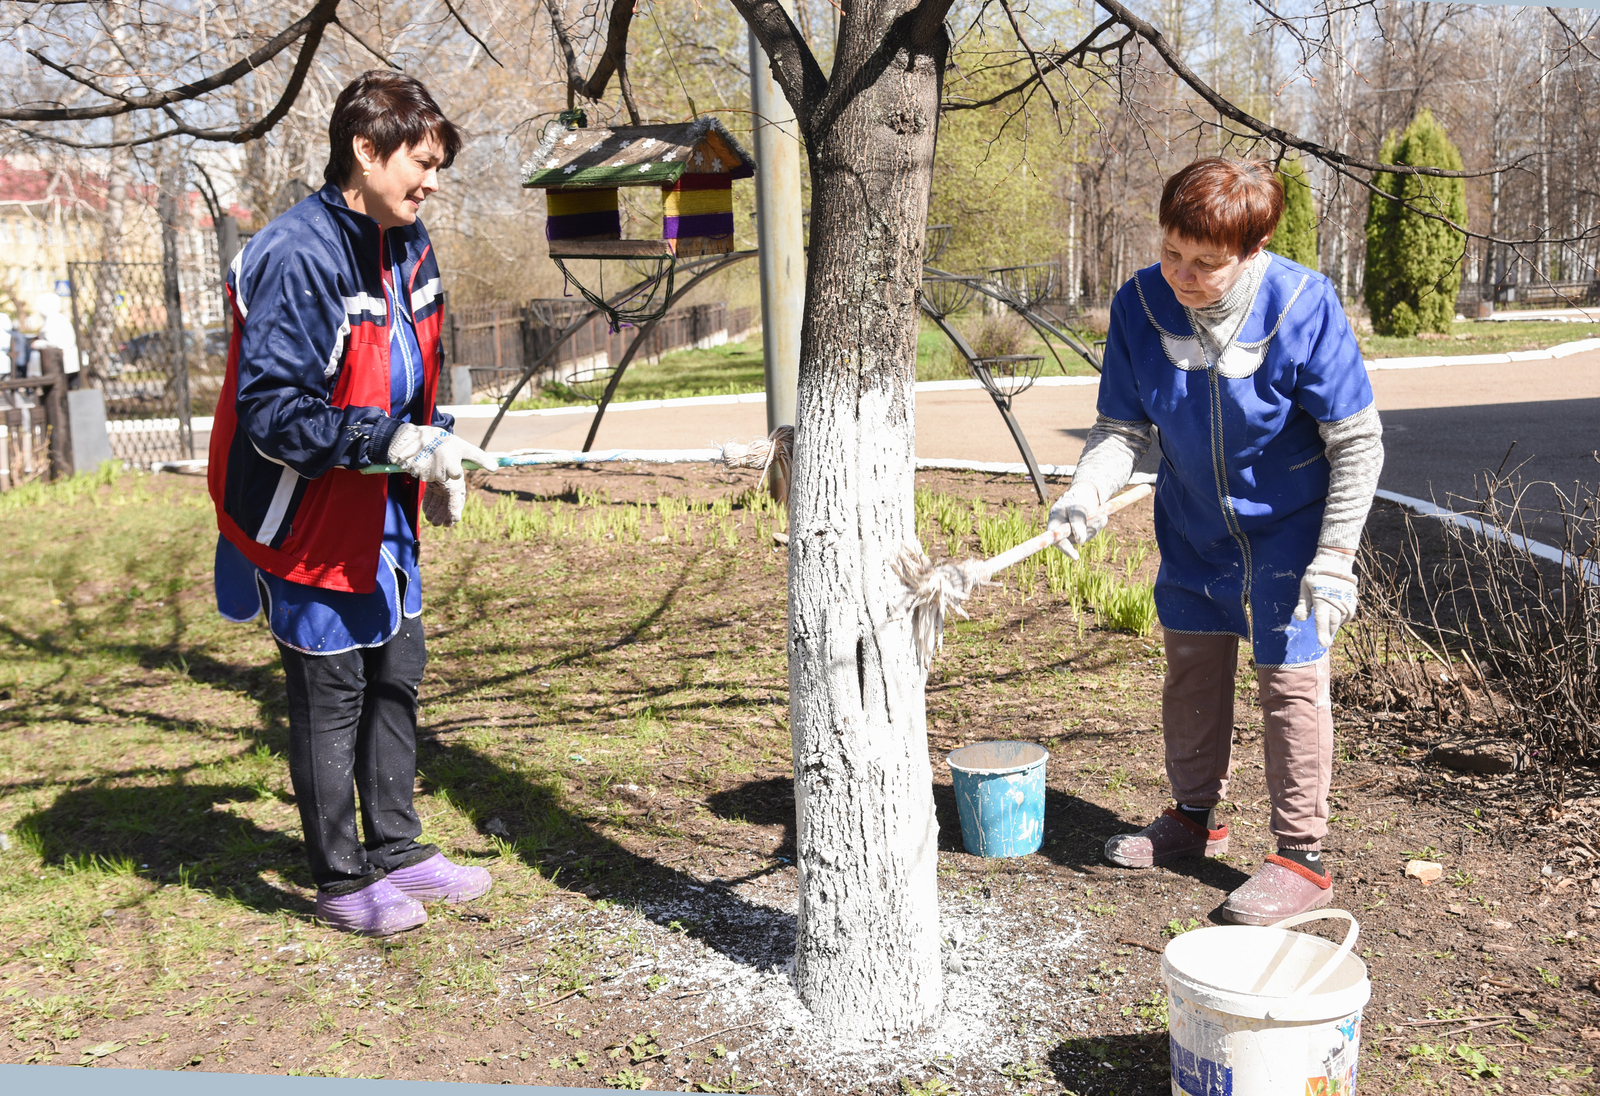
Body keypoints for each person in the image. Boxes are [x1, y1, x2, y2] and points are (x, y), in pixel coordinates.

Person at [1050, 158, 1383, 924]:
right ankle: (1193, 817)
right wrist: (1086, 492)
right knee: (1193, 671)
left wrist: (1335, 558)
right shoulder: (1139, 304)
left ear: (1253, 250)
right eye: (1172, 252)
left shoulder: (1303, 303)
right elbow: (1121, 428)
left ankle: (1301, 858)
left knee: (1290, 682)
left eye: (1206, 263)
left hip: (1291, 532)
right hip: (1194, 524)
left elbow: (1356, 442)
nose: (1182, 275)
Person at [208, 71, 496, 936]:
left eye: (439, 166)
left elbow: (414, 369)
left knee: (396, 671)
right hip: (304, 515)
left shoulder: (408, 239)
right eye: (422, 163)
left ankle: (397, 849)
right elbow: (274, 412)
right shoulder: (296, 254)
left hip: (382, 508)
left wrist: (435, 452)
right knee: (331, 691)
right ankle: (340, 880)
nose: (433, 182)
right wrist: (393, 444)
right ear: (365, 151)